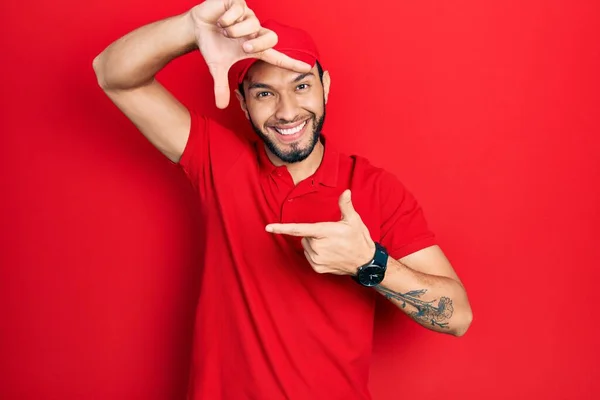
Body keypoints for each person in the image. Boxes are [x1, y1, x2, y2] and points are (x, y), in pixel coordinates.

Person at [93, 0, 473, 398]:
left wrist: (370, 263)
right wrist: (189, 28)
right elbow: (113, 75)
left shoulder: (375, 188)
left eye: (301, 85)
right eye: (264, 93)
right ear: (243, 103)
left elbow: (458, 316)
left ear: (325, 87)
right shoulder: (219, 161)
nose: (288, 111)